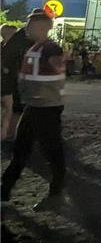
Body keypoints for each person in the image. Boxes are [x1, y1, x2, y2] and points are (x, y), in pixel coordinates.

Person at [1, 11, 67, 211]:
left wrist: (60, 62)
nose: (26, 29)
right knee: (21, 151)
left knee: (51, 152)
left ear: (40, 28)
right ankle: (4, 193)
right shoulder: (35, 48)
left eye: (29, 25)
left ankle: (56, 195)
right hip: (35, 107)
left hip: (46, 109)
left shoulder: (50, 49)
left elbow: (58, 69)